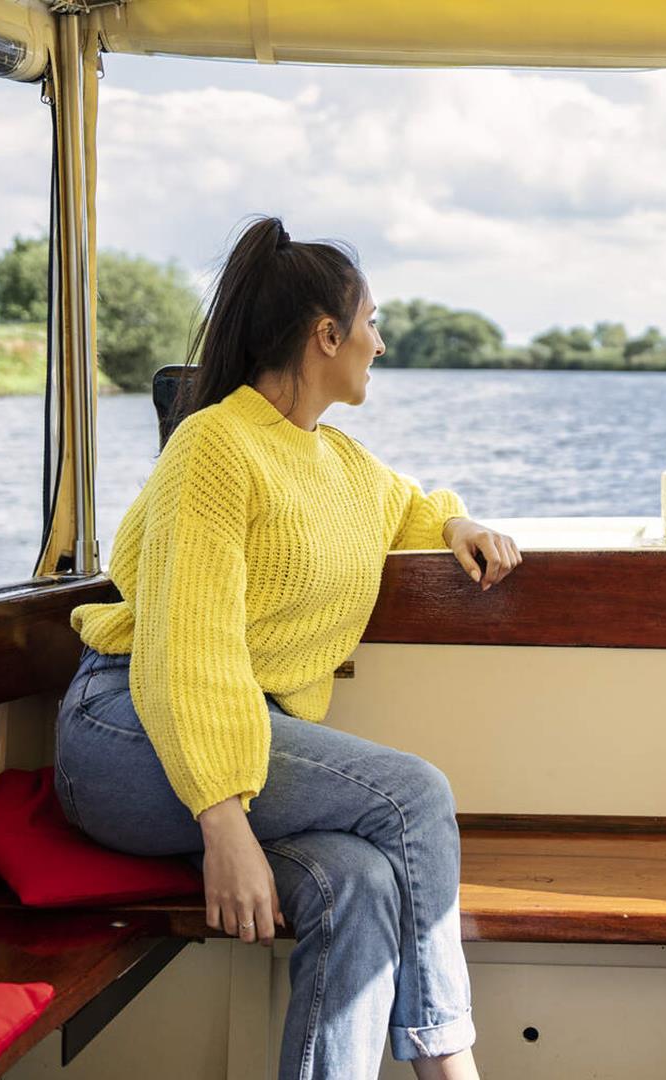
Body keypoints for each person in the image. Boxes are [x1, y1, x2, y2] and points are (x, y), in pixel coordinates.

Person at [57, 216, 520, 1080]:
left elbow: (404, 506)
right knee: (417, 794)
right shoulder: (213, 448)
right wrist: (222, 820)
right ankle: (451, 1071)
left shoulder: (332, 456)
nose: (381, 344)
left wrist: (454, 520)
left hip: (232, 739)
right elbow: (183, 650)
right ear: (327, 335)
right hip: (129, 727)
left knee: (361, 885)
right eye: (372, 323)